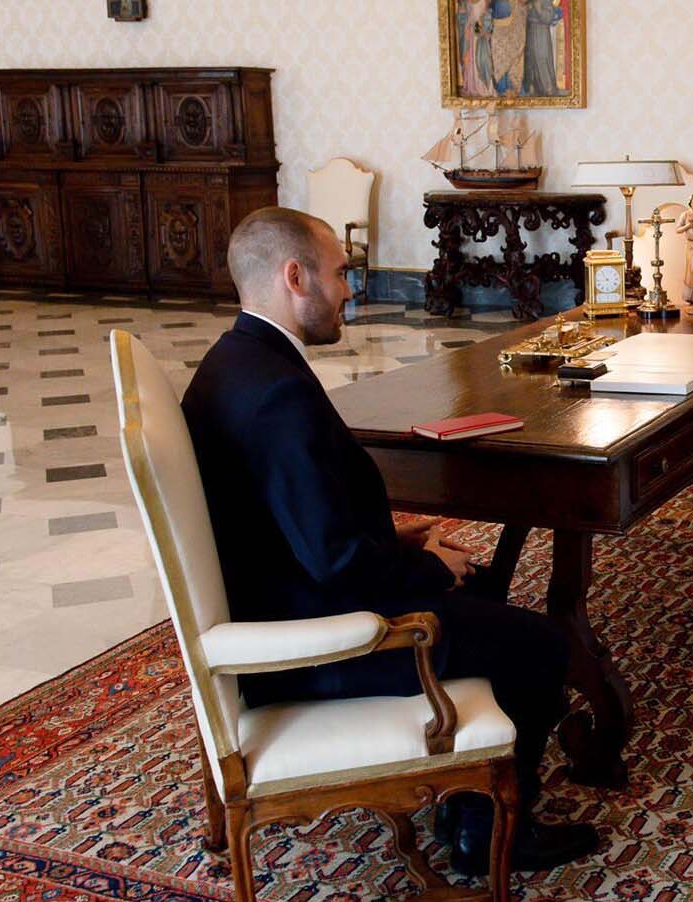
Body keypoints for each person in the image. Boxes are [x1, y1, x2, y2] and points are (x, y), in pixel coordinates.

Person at [179, 206, 597, 875]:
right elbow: (340, 564)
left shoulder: (237, 363)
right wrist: (423, 567)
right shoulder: (275, 395)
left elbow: (295, 526)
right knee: (543, 647)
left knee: (484, 589)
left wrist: (408, 543)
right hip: (314, 644)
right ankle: (490, 836)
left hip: (286, 594)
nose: (350, 290)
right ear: (296, 276)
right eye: (340, 274)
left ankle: (465, 797)